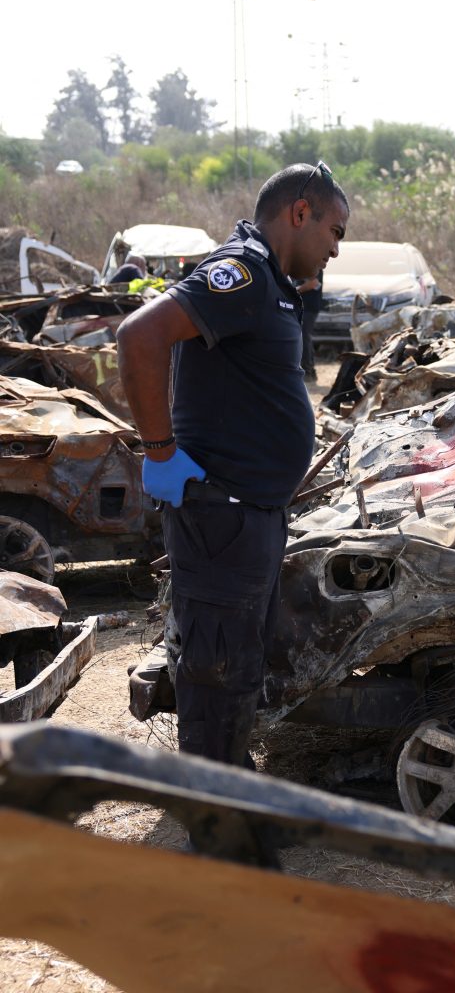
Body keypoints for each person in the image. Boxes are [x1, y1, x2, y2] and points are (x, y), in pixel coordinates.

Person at [117, 162, 348, 766]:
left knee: (237, 667)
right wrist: (160, 451)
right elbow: (139, 337)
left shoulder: (270, 280)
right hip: (221, 515)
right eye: (335, 232)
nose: (336, 249)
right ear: (301, 212)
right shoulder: (242, 273)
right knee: (216, 673)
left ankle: (230, 791)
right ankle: (212, 813)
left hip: (250, 516)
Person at [296, 269, 323, 381]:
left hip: (309, 308)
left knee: (304, 338)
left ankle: (308, 371)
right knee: (305, 338)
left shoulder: (313, 264)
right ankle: (310, 371)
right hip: (303, 307)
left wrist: (295, 290)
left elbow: (313, 283)